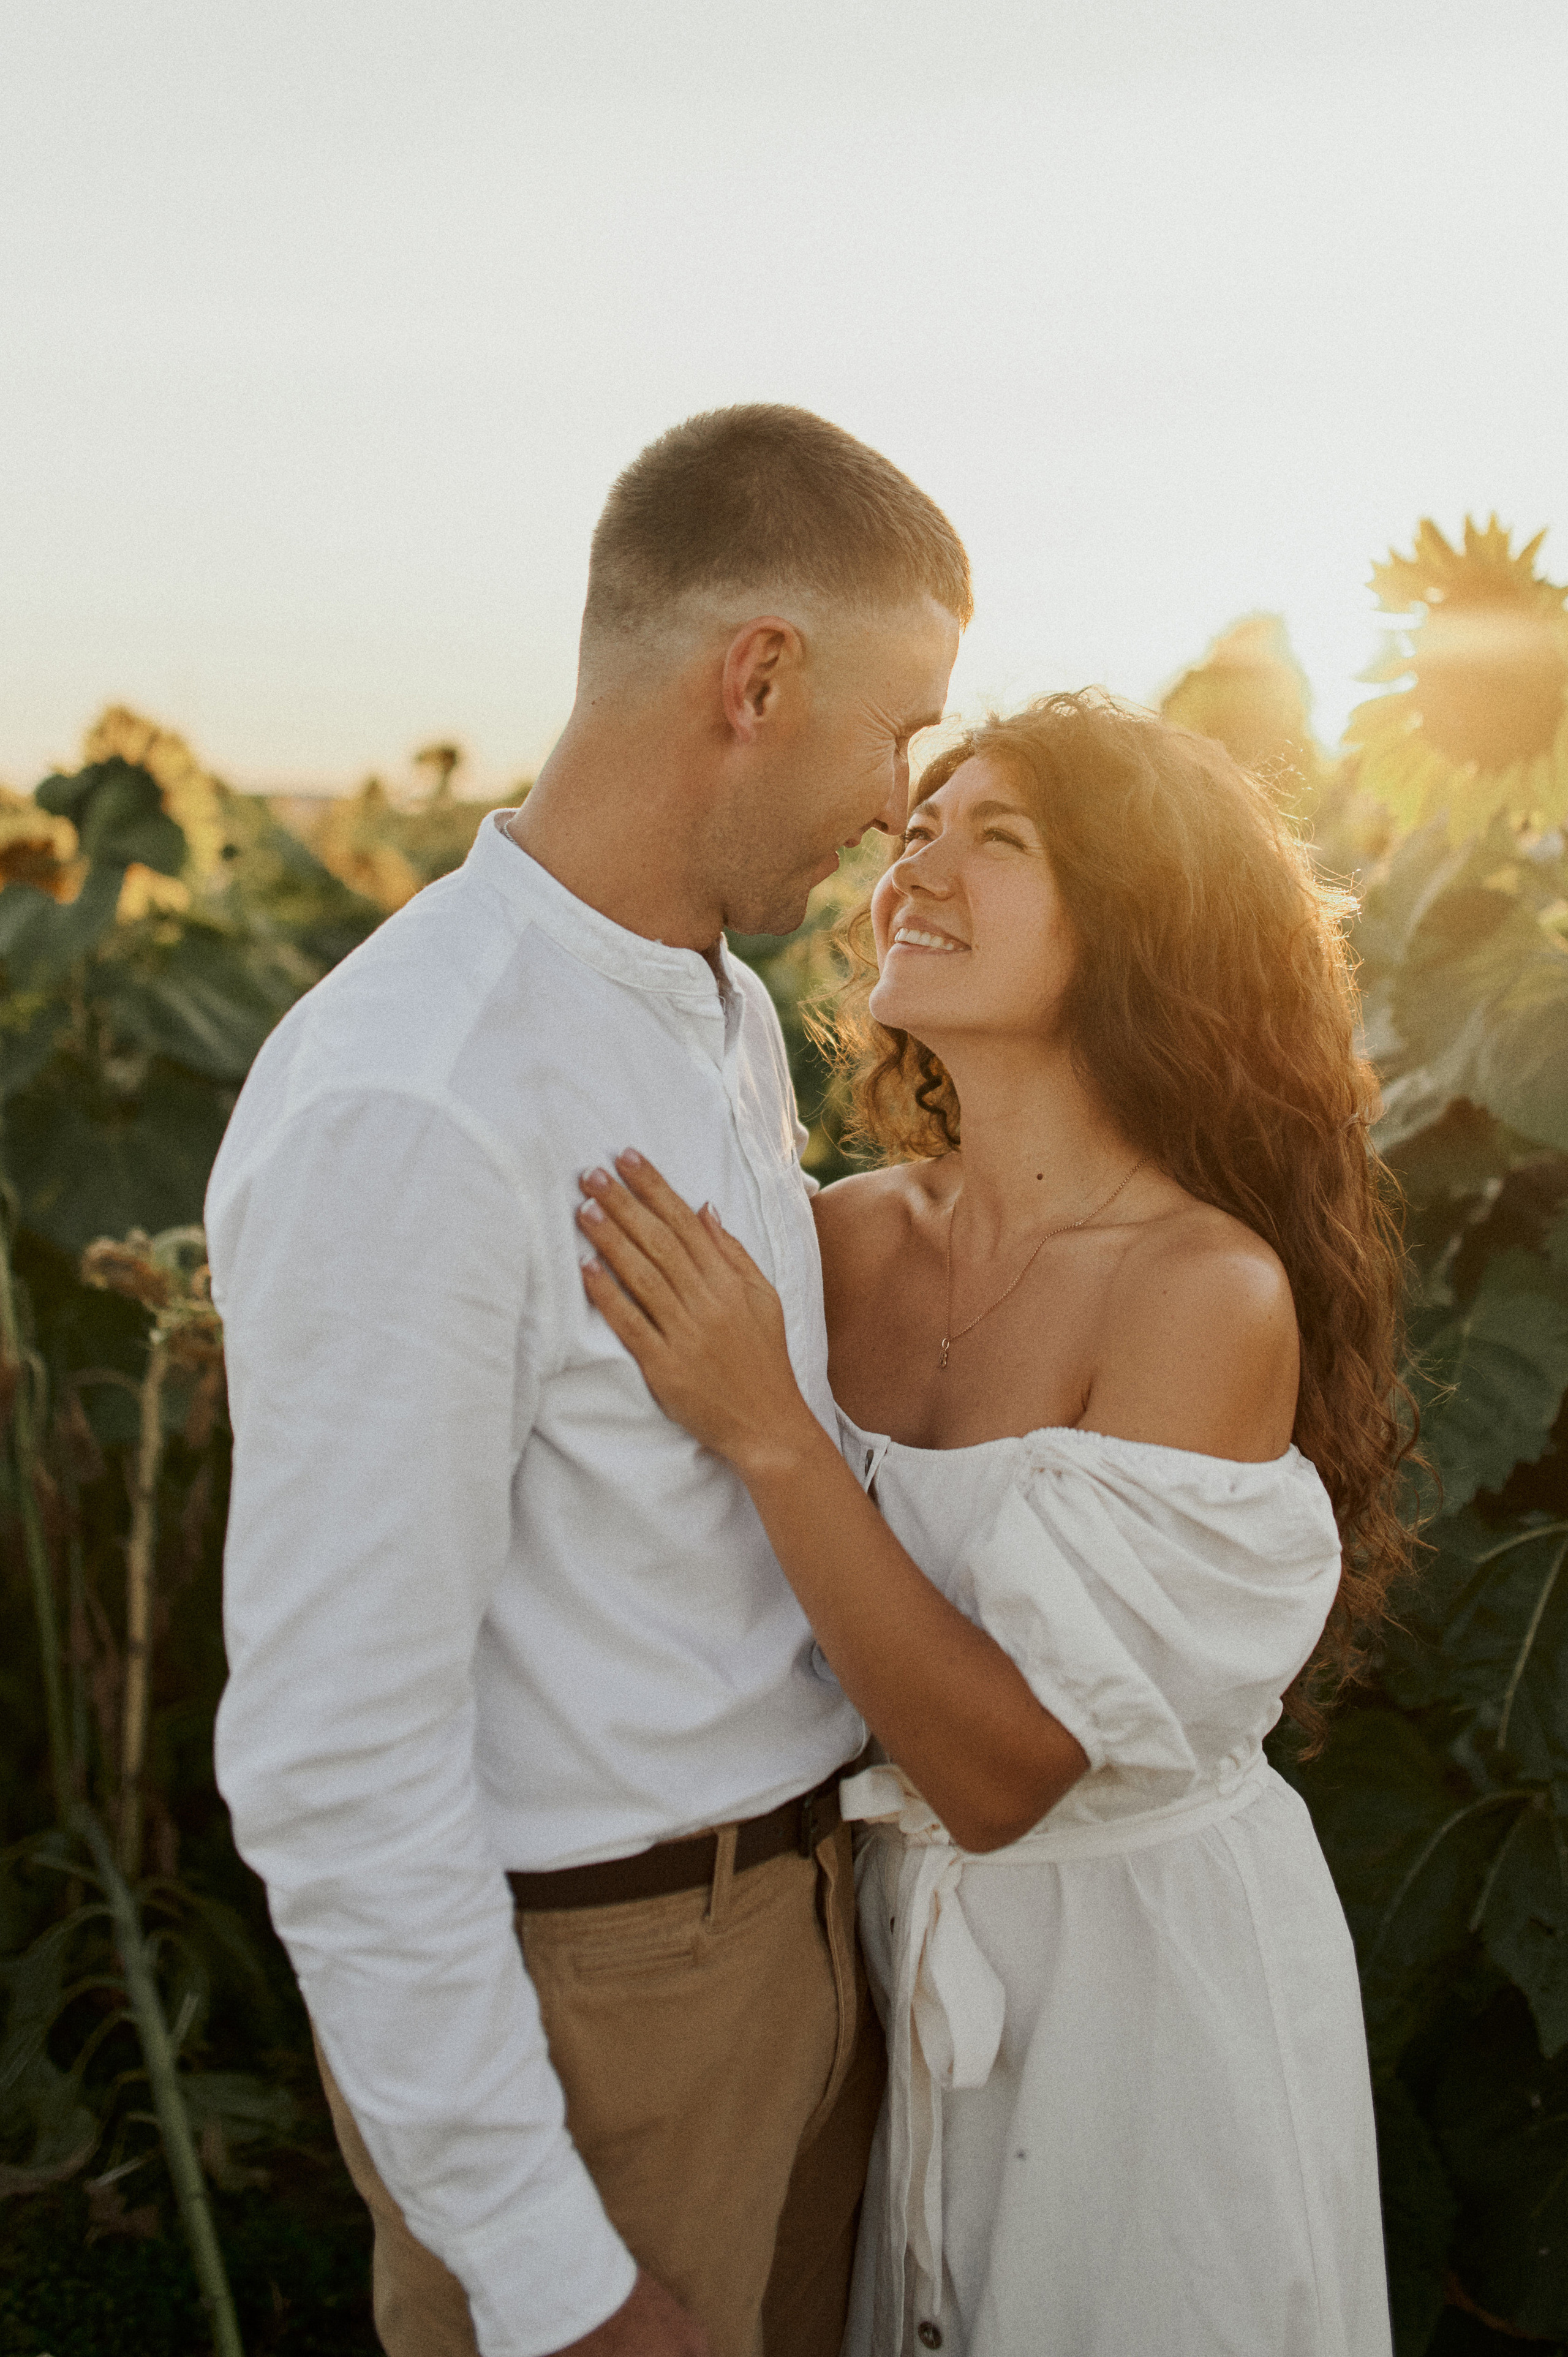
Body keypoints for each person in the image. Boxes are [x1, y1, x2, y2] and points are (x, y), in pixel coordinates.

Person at [207, 404, 970, 2357]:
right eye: (900, 733)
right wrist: (551, 2279)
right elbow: (335, 1756)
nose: (903, 805)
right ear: (760, 677)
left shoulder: (705, 1000)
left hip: (798, 1951)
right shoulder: (421, 1096)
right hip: (602, 2015)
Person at [571, 691, 1405, 2356]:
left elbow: (1008, 1775)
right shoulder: (837, 1243)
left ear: (1140, 929)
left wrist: (774, 1434)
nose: (914, 872)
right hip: (880, 1956)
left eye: (996, 839)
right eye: (919, 830)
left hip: (1140, 1993)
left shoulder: (1202, 1292)